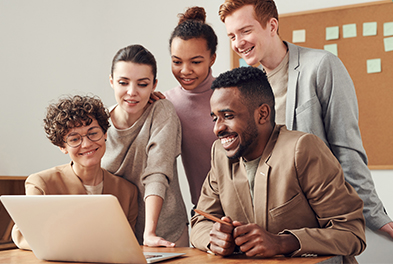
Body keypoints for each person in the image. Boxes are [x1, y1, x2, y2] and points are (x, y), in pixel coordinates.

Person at [218, 0, 393, 237]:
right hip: (271, 228)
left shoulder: (321, 66)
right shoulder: (249, 88)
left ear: (272, 26)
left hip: (323, 221)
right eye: (231, 36)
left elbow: (347, 148)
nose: (238, 43)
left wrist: (374, 215)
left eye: (245, 31)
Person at [190, 67, 366, 263]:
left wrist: (282, 243)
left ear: (263, 114)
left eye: (228, 116)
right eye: (215, 118)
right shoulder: (220, 154)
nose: (217, 128)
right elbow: (200, 221)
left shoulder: (302, 150)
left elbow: (352, 233)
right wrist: (214, 239)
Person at [11, 95, 138, 250]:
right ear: (62, 147)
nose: (86, 144)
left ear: (105, 134)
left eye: (93, 133)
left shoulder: (127, 191)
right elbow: (23, 235)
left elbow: (127, 245)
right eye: (74, 139)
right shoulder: (41, 184)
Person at [101, 44, 188, 247]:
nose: (132, 92)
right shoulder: (99, 122)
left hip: (164, 233)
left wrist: (149, 233)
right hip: (117, 235)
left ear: (153, 85)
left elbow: (157, 171)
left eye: (142, 84)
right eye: (123, 83)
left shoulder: (161, 111)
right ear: (112, 82)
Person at [164, 6, 218, 211]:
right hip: (206, 211)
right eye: (177, 61)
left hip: (249, 207)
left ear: (212, 58)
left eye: (195, 62)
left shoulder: (231, 95)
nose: (185, 71)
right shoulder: (166, 103)